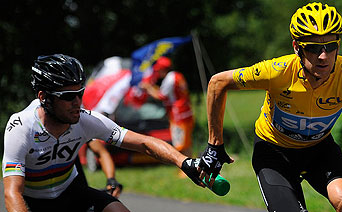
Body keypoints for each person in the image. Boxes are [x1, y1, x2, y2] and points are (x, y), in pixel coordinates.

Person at [197, 2, 342, 212]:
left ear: (338, 46)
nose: (323, 56)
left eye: (330, 47)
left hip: (319, 150)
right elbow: (217, 83)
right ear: (297, 47)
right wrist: (215, 145)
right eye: (313, 48)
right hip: (274, 152)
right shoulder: (277, 72)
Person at [2, 54, 203, 212]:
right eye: (68, 96)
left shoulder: (85, 120)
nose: (77, 102)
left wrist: (184, 162)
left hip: (72, 193)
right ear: (43, 97)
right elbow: (12, 192)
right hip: (35, 203)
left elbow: (143, 143)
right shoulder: (21, 127)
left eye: (80, 93)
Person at [141, 56, 194, 157]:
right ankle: (189, 167)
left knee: (180, 144)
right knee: (186, 142)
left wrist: (148, 87)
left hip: (178, 115)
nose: (158, 73)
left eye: (158, 70)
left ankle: (184, 170)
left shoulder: (169, 79)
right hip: (186, 112)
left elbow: (161, 96)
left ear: (163, 69)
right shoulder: (177, 75)